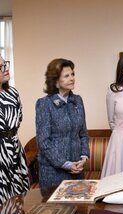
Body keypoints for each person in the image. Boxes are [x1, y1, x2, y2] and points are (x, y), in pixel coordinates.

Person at [35, 58, 89, 188]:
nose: (72, 78)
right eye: (66, 76)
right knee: (57, 209)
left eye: (72, 74)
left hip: (77, 170)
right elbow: (43, 141)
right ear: (56, 82)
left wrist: (84, 157)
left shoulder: (77, 100)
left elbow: (83, 134)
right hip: (53, 172)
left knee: (78, 208)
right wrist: (65, 164)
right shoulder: (44, 104)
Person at [0, 55, 30, 206]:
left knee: (19, 198)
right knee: (3, 199)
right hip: (1, 153)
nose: (5, 69)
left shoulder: (13, 93)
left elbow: (19, 118)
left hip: (15, 149)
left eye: (5, 64)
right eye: (0, 67)